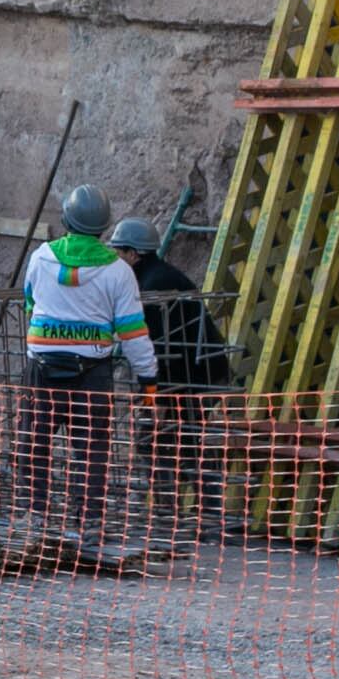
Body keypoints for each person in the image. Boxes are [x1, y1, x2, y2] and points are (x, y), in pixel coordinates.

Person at [15, 185, 158, 558]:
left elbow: (29, 300)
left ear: (65, 219)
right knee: (91, 448)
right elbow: (132, 331)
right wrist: (148, 377)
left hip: (42, 368)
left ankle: (36, 518)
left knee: (35, 443)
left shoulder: (41, 257)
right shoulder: (119, 271)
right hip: (92, 371)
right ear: (104, 228)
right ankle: (89, 523)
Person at [111, 216, 230, 534]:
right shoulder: (159, 277)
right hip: (198, 372)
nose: (115, 258)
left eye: (119, 252)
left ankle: (170, 517)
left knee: (155, 441)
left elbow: (159, 350)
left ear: (133, 254)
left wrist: (156, 396)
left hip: (183, 376)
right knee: (188, 441)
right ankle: (204, 516)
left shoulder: (152, 289)